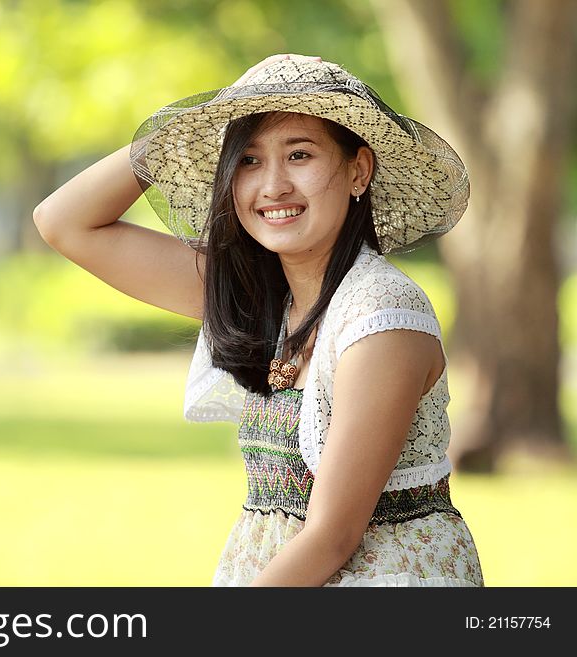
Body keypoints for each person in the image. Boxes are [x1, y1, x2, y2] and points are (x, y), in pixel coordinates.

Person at [33, 54, 484, 587]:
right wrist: (184, 130)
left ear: (358, 170)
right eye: (248, 160)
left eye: (299, 155)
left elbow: (331, 537)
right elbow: (63, 222)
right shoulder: (259, 295)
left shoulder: (383, 315)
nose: (272, 186)